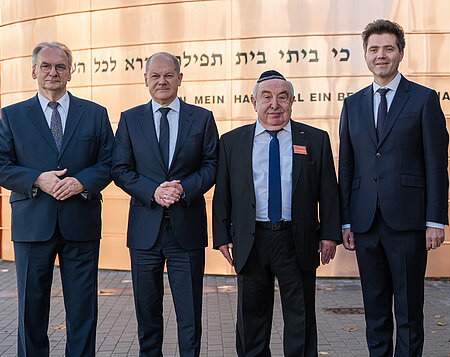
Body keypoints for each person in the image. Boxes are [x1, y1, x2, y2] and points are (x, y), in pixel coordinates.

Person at [339, 20, 449, 357]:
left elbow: (436, 163)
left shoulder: (423, 99)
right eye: (374, 49)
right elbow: (347, 167)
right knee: (374, 309)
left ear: (400, 52)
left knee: (408, 310)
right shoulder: (352, 104)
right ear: (365, 55)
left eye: (388, 48)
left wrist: (435, 219)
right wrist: (345, 221)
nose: (381, 55)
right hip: (365, 222)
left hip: (409, 222)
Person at [212, 70, 341, 357]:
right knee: (251, 319)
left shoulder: (315, 139)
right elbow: (223, 194)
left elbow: (328, 192)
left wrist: (330, 235)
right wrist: (222, 236)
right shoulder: (232, 142)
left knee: (301, 317)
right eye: (266, 97)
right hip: (251, 240)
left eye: (282, 97)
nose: (275, 104)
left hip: (297, 239)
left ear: (292, 101)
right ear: (253, 102)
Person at [0, 41, 114, 356]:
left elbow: (109, 162)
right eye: (46, 66)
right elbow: (1, 164)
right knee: (31, 310)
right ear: (34, 70)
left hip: (81, 224)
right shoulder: (11, 116)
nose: (53, 72)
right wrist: (37, 178)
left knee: (82, 311)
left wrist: (81, 182)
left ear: (69, 72)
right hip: (32, 224)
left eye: (60, 66)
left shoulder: (94, 114)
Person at [111, 52, 218, 357]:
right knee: (147, 313)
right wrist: (153, 191)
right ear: (146, 80)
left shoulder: (202, 118)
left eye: (168, 75)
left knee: (189, 315)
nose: (162, 81)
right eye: (155, 76)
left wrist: (183, 189)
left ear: (179, 79)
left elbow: (212, 165)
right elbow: (120, 169)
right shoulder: (131, 119)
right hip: (145, 231)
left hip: (187, 231)